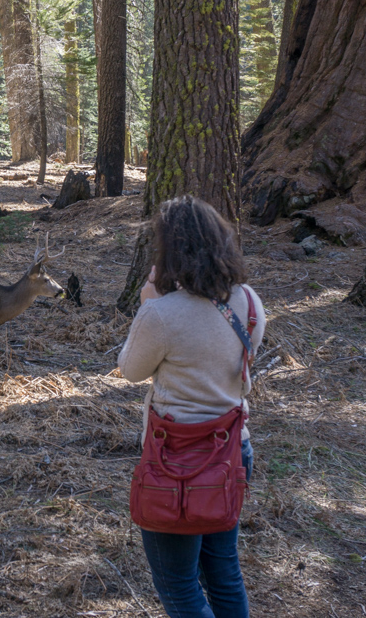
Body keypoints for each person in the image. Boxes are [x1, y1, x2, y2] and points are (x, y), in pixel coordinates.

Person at [117, 195, 266, 618]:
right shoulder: (250, 302)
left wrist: (147, 303)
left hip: (175, 460)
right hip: (233, 451)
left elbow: (130, 369)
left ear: (170, 250)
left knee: (178, 584)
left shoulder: (162, 314)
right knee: (223, 573)